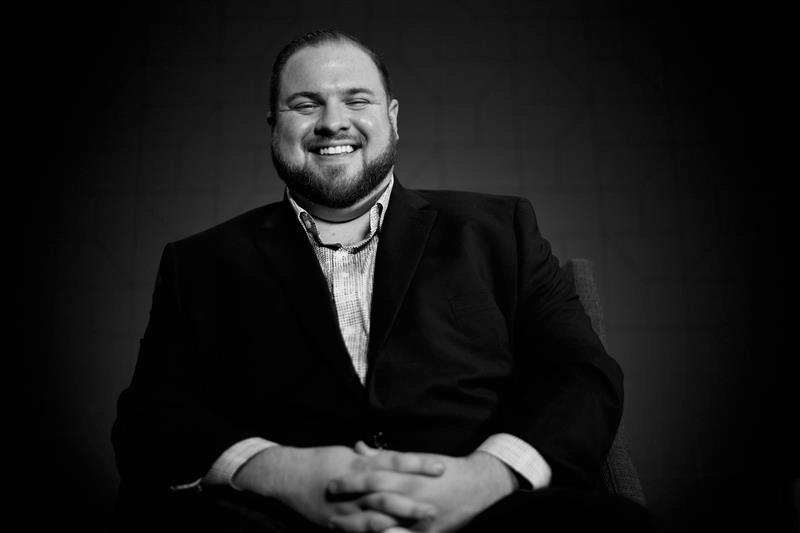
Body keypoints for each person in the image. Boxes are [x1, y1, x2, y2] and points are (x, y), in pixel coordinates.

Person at [111, 30, 653, 532]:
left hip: (495, 517)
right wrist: (279, 471)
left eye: (357, 100)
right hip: (275, 521)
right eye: (305, 104)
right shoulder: (198, 263)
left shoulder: (501, 230)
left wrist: (488, 478)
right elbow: (150, 419)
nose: (332, 122)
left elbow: (583, 376)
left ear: (392, 117)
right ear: (274, 127)